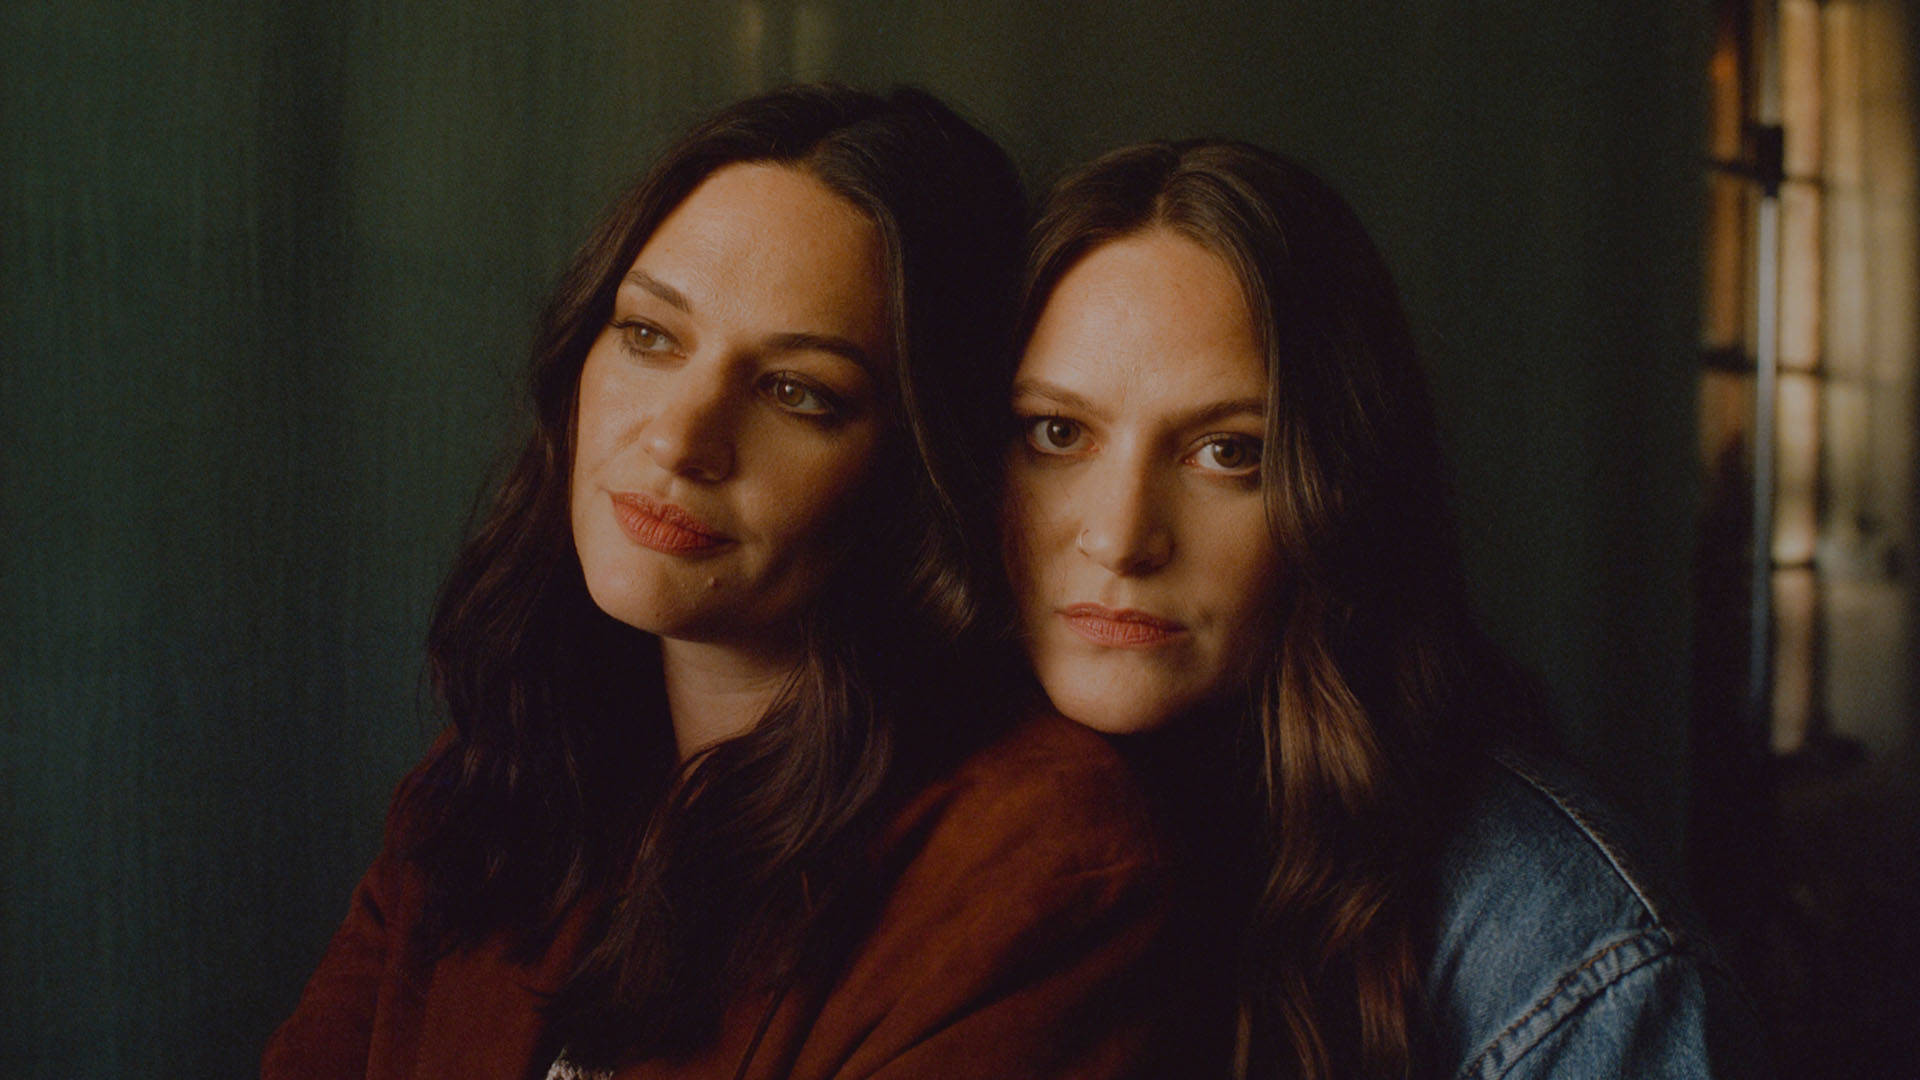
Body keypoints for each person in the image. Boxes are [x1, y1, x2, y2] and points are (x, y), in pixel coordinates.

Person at [264, 85, 1195, 1080]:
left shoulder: (1034, 862)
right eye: (650, 337)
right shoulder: (492, 778)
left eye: (799, 392)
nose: (679, 437)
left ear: (918, 467)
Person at [995, 139, 1770, 1079]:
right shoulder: (901, 823)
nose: (1121, 538)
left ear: (1341, 490)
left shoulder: (1567, 950)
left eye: (1228, 453)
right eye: (1057, 433)